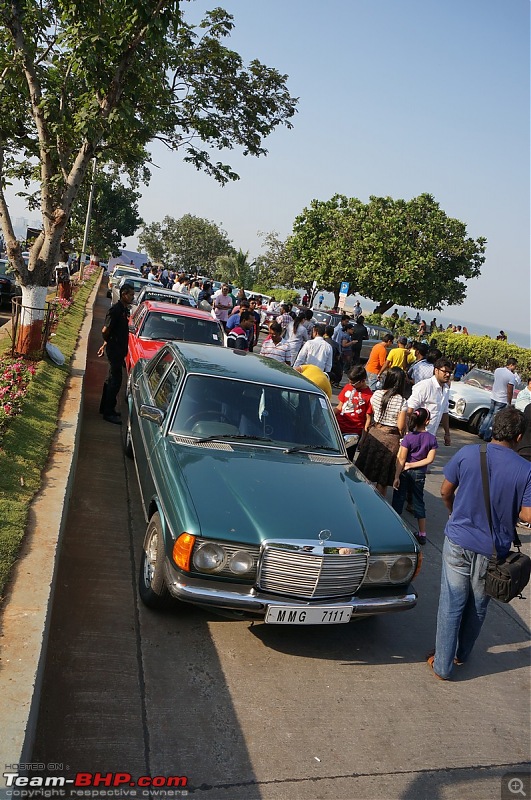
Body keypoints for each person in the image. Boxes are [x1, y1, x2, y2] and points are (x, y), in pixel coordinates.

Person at [428, 407, 531, 680]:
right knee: (477, 605)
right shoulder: (526, 470)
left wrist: (453, 512)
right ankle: (462, 654)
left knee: (452, 602)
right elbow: (527, 515)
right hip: (493, 551)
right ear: (519, 436)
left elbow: (444, 490)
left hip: (459, 541)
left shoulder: (468, 453)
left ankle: (442, 665)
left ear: (494, 428)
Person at [355, 367, 408, 496]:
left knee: (365, 471)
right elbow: (401, 426)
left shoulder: (377, 394)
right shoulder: (401, 401)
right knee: (382, 478)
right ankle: (378, 504)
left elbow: (373, 412)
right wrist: (404, 435)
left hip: (374, 435)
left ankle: (359, 496)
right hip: (391, 439)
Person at [392, 408, 438, 545]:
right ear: (427, 421)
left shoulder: (408, 438)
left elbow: (401, 458)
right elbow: (429, 460)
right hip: (419, 474)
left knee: (398, 499)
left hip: (405, 472)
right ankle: (422, 533)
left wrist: (396, 476)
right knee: (418, 501)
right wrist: (415, 466)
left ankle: (394, 530)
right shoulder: (431, 439)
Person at [98, 282, 135, 424]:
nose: (133, 297)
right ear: (124, 294)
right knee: (115, 381)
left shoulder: (125, 310)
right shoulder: (115, 310)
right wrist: (108, 342)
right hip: (114, 351)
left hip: (118, 350)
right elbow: (105, 331)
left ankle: (105, 408)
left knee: (110, 380)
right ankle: (108, 412)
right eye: (131, 294)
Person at [407, 357, 453, 444]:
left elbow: (444, 412)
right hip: (416, 435)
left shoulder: (446, 389)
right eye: (445, 371)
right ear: (436, 370)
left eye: (449, 372)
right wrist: (407, 432)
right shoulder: (425, 386)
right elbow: (410, 408)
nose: (447, 375)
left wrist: (447, 434)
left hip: (431, 436)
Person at [334, 365, 373, 460]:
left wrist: (363, 439)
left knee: (347, 459)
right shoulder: (347, 387)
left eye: (353, 383)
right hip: (338, 428)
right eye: (349, 381)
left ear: (363, 381)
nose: (350, 384)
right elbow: (339, 407)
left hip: (353, 433)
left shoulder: (369, 395)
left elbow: (368, 419)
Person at [478, 358, 518, 442]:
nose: (515, 368)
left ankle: (481, 431)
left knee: (489, 414)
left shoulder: (498, 370)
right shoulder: (511, 376)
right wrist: (509, 402)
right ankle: (487, 435)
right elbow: (509, 390)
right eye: (515, 366)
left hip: (494, 396)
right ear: (511, 365)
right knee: (494, 418)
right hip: (502, 399)